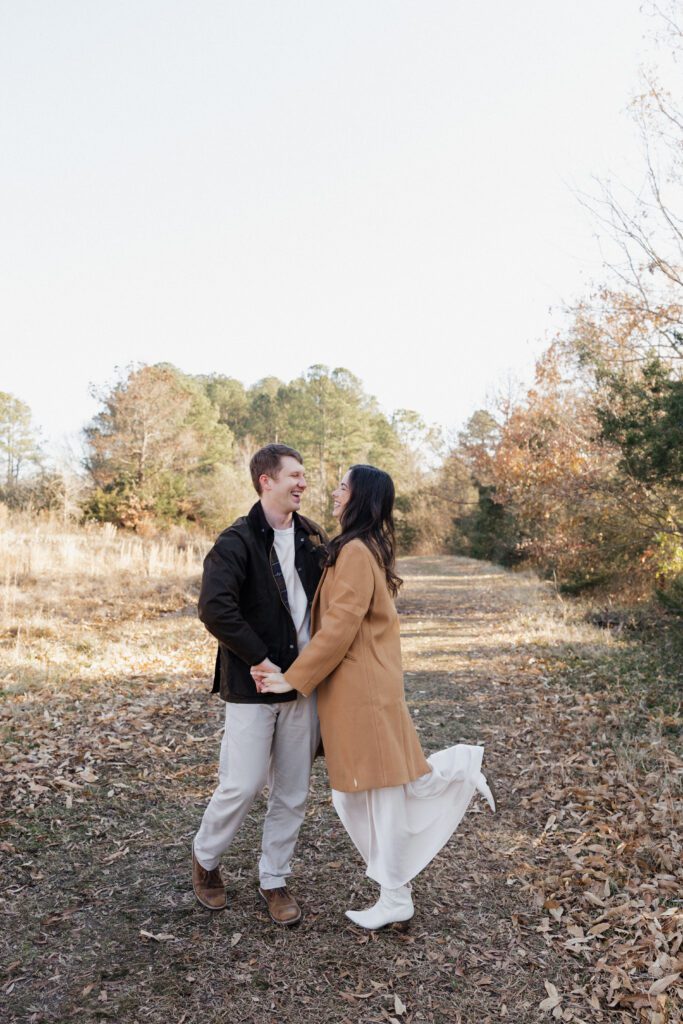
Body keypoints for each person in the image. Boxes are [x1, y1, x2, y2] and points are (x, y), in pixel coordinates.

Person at [253, 463, 495, 930]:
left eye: (342, 486)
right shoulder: (355, 548)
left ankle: (396, 892)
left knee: (377, 795)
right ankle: (402, 874)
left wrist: (293, 678)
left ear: (359, 496)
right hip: (357, 690)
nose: (334, 491)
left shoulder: (358, 552)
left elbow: (340, 626)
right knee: (367, 793)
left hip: (362, 692)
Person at [192, 443, 328, 925]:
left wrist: (305, 670)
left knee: (292, 791)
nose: (302, 483)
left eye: (304, 475)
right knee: (243, 784)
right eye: (294, 474)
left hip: (303, 684)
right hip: (252, 683)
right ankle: (206, 861)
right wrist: (261, 658)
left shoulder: (315, 539)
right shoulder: (236, 541)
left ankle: (274, 878)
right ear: (265, 480)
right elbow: (215, 608)